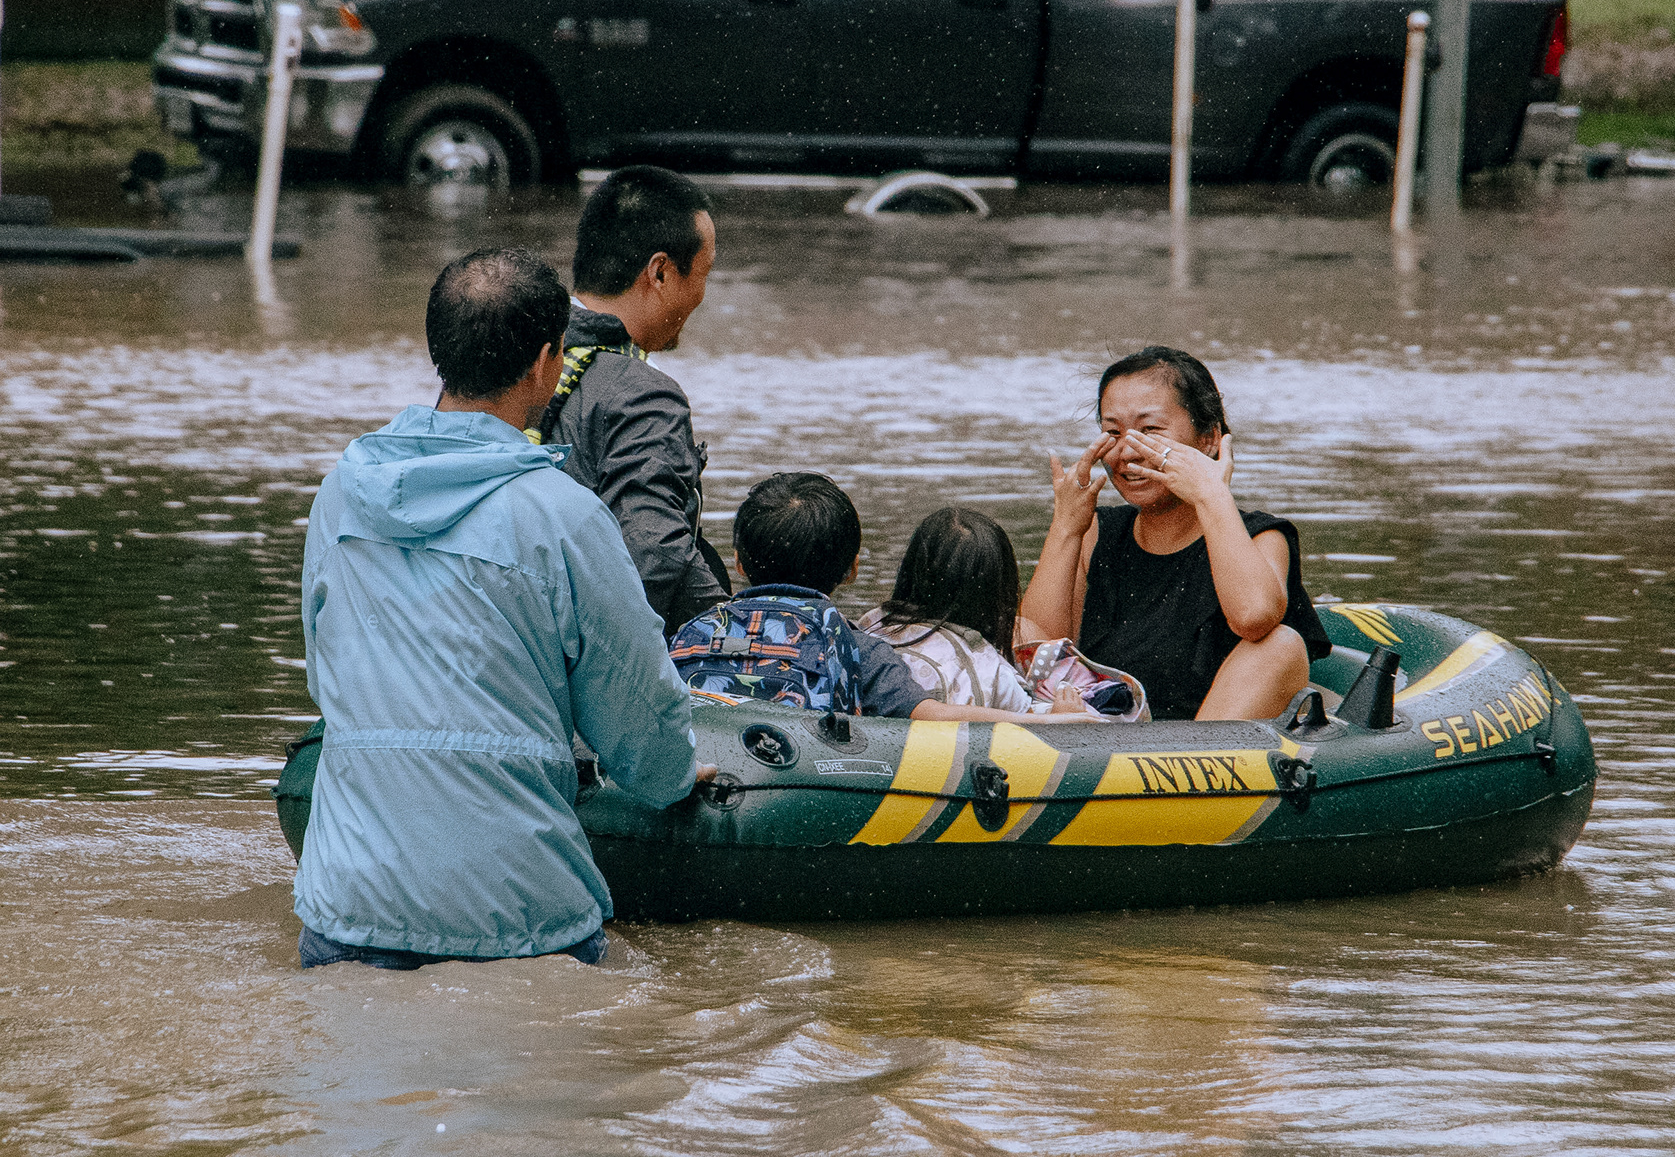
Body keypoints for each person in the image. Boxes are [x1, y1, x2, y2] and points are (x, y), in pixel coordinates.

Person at [294, 248, 712, 971]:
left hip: (347, 913)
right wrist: (677, 776)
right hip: (521, 921)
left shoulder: (341, 496)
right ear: (548, 362)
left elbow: (326, 674)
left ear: (440, 352)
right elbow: (643, 720)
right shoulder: (566, 519)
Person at [1020, 347, 1330, 721]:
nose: (1127, 452)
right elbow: (1037, 656)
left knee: (1280, 645)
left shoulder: (1262, 536)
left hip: (1200, 758)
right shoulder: (1096, 532)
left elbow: (1254, 618)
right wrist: (1066, 528)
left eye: (1150, 431)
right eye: (1112, 433)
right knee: (1019, 625)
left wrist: (1212, 495)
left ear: (1209, 438)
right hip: (1102, 739)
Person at [671, 474, 1092, 724]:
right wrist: (1046, 723)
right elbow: (936, 718)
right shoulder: (858, 648)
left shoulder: (696, 630)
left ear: (739, 563)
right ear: (852, 569)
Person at [530, 165, 728, 635]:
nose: (702, 293)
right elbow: (653, 555)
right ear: (659, 272)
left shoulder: (509, 352)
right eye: (703, 274)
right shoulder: (646, 392)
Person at [857, 506, 1085, 714]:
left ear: (910, 572)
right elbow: (1035, 731)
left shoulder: (872, 627)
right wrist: (1060, 716)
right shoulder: (992, 672)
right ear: (998, 592)